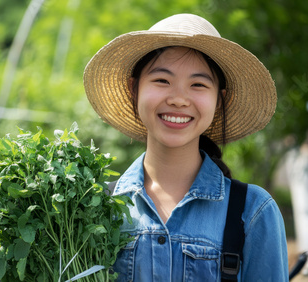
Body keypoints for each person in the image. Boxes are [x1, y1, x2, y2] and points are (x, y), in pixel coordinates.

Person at [83, 13, 288, 281]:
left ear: (218, 100)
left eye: (198, 84)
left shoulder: (252, 212)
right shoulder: (95, 208)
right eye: (162, 80)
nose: (179, 99)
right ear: (134, 89)